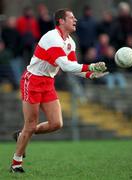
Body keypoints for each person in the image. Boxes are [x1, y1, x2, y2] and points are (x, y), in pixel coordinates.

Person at [10, 8, 108, 173]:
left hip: (48, 82)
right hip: (32, 80)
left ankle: (22, 135)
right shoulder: (51, 37)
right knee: (31, 124)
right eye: (71, 17)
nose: (75, 20)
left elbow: (73, 68)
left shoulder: (70, 41)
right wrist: (90, 65)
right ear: (61, 21)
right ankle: (16, 164)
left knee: (56, 123)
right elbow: (65, 65)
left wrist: (91, 74)